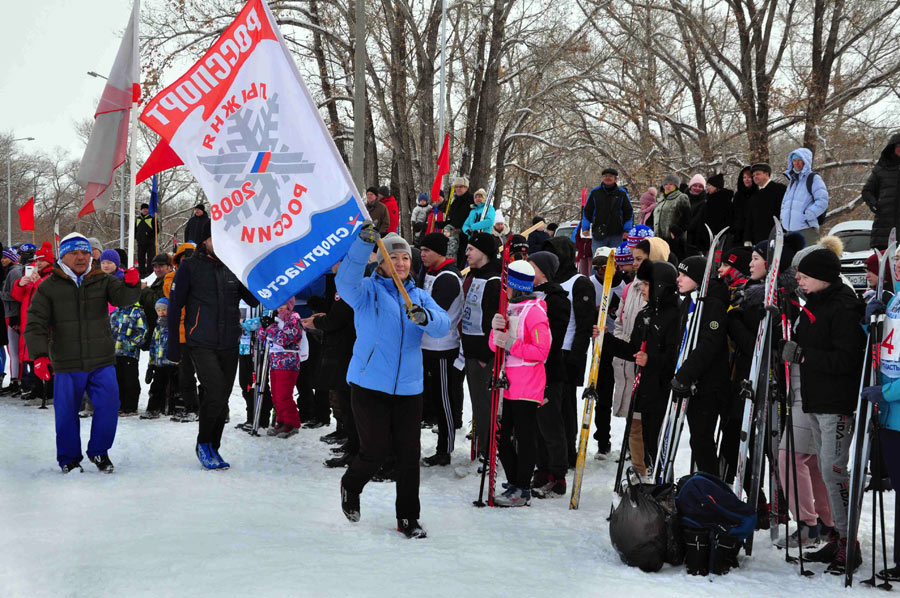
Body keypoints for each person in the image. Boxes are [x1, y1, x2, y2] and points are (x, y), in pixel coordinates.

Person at [336, 225, 450, 539]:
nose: (400, 263)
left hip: (409, 388)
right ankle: (351, 484)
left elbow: (443, 324)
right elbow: (343, 281)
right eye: (393, 257)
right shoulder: (365, 292)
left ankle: (408, 518)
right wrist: (362, 245)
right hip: (369, 383)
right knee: (375, 451)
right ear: (382, 262)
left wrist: (425, 317)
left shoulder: (419, 296)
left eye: (405, 258)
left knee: (408, 455)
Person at [24, 233, 141, 472]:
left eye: (85, 253)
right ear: (63, 256)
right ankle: (69, 458)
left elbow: (124, 299)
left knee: (109, 406)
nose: (81, 257)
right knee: (66, 414)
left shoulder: (102, 280)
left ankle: (99, 452)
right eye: (74, 253)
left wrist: (131, 284)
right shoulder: (48, 286)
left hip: (101, 359)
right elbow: (35, 323)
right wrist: (40, 356)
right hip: (67, 362)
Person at [781, 245, 866, 572]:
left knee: (833, 471)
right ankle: (838, 536)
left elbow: (848, 360)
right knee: (826, 470)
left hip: (836, 403)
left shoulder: (844, 307)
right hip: (815, 399)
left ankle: (849, 541)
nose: (799, 279)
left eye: (805, 275)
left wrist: (803, 355)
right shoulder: (815, 302)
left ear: (823, 276)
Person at [167, 220, 259, 469]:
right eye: (214, 239)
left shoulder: (233, 265)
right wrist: (173, 344)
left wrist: (255, 273)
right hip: (201, 341)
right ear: (205, 240)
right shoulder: (190, 267)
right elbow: (175, 306)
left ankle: (213, 447)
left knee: (221, 396)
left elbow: (251, 297)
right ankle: (203, 443)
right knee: (216, 391)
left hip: (229, 340)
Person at [603, 260, 681, 466]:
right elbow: (633, 350)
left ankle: (658, 480)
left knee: (655, 439)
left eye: (646, 285)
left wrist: (651, 359)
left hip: (663, 390)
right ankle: (642, 475)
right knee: (638, 433)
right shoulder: (644, 313)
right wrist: (606, 340)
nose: (642, 289)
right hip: (643, 388)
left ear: (660, 286)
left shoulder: (675, 315)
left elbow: (675, 356)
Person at [489, 260, 551, 506]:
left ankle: (522, 487)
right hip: (508, 382)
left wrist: (509, 342)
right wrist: (494, 333)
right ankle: (515, 480)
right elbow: (494, 347)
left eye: (508, 284)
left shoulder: (535, 311)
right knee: (501, 437)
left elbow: (541, 351)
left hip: (527, 384)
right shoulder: (510, 308)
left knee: (524, 437)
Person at [671, 256, 730, 475]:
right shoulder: (688, 301)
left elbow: (709, 345)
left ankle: (712, 486)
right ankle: (704, 485)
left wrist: (686, 374)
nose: (679, 279)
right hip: (690, 382)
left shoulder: (713, 304)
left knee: (703, 440)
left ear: (699, 278)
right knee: (698, 440)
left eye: (684, 275)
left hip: (708, 385)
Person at [544, 236, 596, 464]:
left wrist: (576, 357)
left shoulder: (579, 282)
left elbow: (585, 325)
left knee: (564, 406)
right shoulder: (547, 280)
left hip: (567, 353)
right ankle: (549, 452)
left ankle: (567, 452)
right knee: (549, 407)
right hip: (546, 350)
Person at [417, 233, 464, 467]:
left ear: (439, 252)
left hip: (443, 347)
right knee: (431, 399)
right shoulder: (429, 272)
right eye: (421, 250)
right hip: (425, 346)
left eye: (426, 250)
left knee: (444, 400)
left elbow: (432, 311)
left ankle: (445, 449)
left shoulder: (448, 276)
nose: (422, 254)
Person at [304, 263, 357, 468]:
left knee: (349, 401)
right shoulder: (338, 283)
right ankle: (350, 442)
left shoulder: (350, 283)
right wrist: (323, 316)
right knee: (343, 399)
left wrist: (318, 323)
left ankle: (354, 448)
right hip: (340, 348)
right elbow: (336, 313)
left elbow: (340, 317)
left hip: (347, 350)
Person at [528, 251, 571, 498]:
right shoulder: (525, 293)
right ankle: (542, 469)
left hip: (549, 369)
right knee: (535, 424)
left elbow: (553, 339)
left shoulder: (557, 299)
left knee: (550, 423)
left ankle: (557, 473)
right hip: (527, 369)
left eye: (532, 266)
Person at [460, 232, 501, 459]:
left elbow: (492, 320)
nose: (467, 253)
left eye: (471, 249)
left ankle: (488, 449)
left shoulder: (492, 279)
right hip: (471, 348)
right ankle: (481, 442)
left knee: (484, 404)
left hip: (483, 353)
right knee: (477, 402)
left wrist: (487, 353)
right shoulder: (475, 275)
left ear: (483, 253)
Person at [609, 242, 648, 474]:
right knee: (631, 420)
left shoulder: (655, 289)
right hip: (626, 358)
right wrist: (614, 341)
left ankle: (642, 468)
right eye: (633, 259)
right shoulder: (630, 288)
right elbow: (621, 322)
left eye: (640, 259)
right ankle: (638, 464)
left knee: (639, 423)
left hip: (642, 363)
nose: (634, 264)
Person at [11, 243, 55, 403]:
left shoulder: (51, 277)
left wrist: (36, 282)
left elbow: (47, 296)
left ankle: (48, 392)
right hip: (29, 323)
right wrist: (21, 283)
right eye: (37, 261)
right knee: (32, 357)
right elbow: (18, 296)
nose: (38, 264)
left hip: (42, 325)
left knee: (45, 358)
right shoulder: (35, 276)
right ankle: (37, 389)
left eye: (42, 261)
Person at [259, 297, 306, 439]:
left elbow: (287, 339)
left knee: (284, 394)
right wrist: (264, 326)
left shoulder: (294, 318)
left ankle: (292, 423)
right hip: (275, 361)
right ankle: (281, 420)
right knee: (276, 394)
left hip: (288, 362)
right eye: (277, 304)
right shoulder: (275, 318)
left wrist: (270, 328)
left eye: (283, 304)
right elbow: (263, 338)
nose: (280, 307)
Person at [781, 148, 828, 244]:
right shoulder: (792, 181)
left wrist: (808, 215)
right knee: (792, 258)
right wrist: (783, 218)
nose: (796, 163)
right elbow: (784, 202)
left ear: (806, 162)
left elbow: (822, 201)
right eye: (794, 160)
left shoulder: (813, 178)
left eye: (800, 160)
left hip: (806, 230)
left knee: (807, 258)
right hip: (789, 231)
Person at [110, 300, 147, 416]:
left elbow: (143, 331)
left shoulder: (137, 312)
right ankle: (120, 405)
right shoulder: (114, 313)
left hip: (129, 353)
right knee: (117, 379)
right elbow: (108, 331)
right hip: (115, 353)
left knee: (130, 379)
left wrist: (131, 344)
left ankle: (130, 406)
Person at [583, 168, 633, 255]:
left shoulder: (622, 193)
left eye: (610, 176)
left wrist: (627, 230)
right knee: (598, 262)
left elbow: (628, 212)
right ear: (602, 178)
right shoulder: (595, 193)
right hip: (599, 233)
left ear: (615, 179)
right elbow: (587, 211)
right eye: (605, 176)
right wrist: (585, 227)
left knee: (616, 261)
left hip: (617, 234)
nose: (607, 178)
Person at [863, 133, 900, 250]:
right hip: (884, 230)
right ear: (892, 148)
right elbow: (867, 191)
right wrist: (876, 205)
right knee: (884, 265)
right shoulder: (881, 169)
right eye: (898, 146)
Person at [143, 297, 177, 419]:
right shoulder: (158, 328)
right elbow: (153, 346)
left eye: (164, 310)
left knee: (174, 386)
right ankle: (153, 409)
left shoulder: (174, 326)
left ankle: (172, 408)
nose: (161, 312)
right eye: (158, 310)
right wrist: (151, 363)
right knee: (156, 386)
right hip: (159, 363)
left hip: (172, 363)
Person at [744, 163, 786, 245]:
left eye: (758, 174)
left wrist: (784, 231)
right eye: (753, 175)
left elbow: (784, 212)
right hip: (758, 239)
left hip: (776, 236)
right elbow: (750, 218)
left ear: (767, 174)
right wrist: (747, 238)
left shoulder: (780, 189)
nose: (755, 177)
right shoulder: (754, 195)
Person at [1, 247, 23, 396]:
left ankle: (17, 381)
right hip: (11, 313)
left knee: (14, 351)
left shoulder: (14, 271)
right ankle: (16, 380)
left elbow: (16, 295)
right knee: (12, 351)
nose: (2, 260)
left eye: (5, 257)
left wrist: (1, 294)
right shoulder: (11, 270)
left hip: (13, 313)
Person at [653, 174, 691, 259]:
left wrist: (675, 231)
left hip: (674, 240)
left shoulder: (681, 197)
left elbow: (686, 218)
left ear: (676, 186)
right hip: (659, 239)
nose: (668, 186)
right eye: (666, 184)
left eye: (671, 184)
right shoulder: (661, 200)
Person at [447, 177, 475, 267]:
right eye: (457, 187)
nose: (458, 189)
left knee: (462, 259)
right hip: (454, 234)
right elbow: (452, 219)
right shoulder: (455, 201)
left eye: (461, 187)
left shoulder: (472, 199)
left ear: (466, 188)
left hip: (466, 235)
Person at [704, 173, 734, 241]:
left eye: (709, 185)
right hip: (709, 235)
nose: (707, 187)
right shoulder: (709, 199)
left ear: (716, 187)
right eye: (707, 185)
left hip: (720, 237)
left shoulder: (724, 200)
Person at [731, 166, 755, 247]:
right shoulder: (738, 195)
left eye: (749, 177)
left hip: (753, 234)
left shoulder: (758, 194)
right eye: (744, 177)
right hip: (738, 234)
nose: (746, 179)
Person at [135, 203, 158, 277]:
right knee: (141, 257)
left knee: (151, 258)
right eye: (143, 209)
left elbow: (156, 230)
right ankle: (141, 272)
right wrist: (136, 236)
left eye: (146, 209)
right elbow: (135, 229)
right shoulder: (138, 219)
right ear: (141, 210)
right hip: (141, 242)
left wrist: (150, 236)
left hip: (150, 242)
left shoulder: (152, 218)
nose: (145, 210)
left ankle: (150, 272)